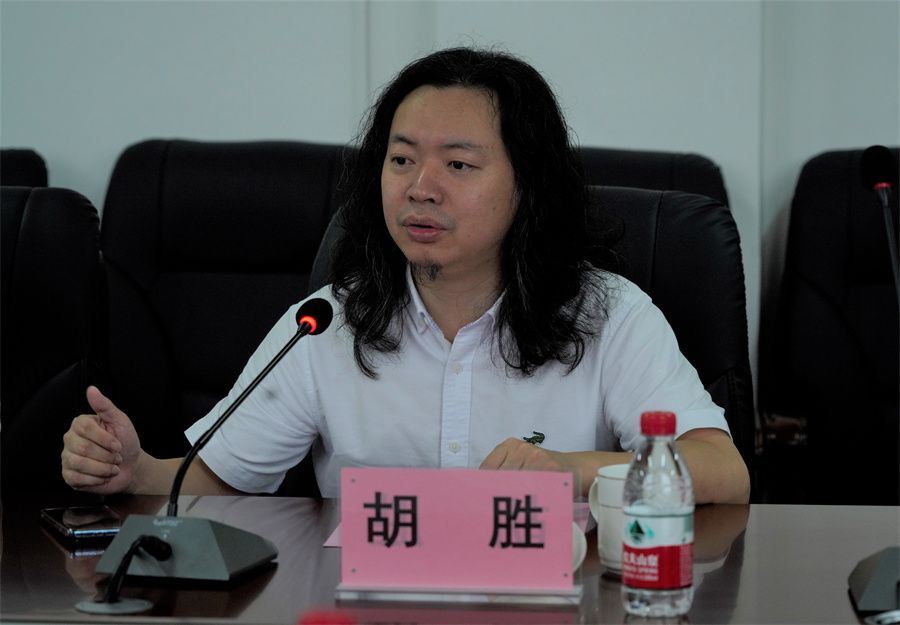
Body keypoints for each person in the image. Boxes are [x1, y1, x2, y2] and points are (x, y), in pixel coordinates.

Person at [61, 47, 750, 504]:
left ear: (528, 186)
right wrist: (136, 471)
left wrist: (571, 470)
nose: (420, 187)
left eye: (458, 164)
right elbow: (220, 481)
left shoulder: (608, 314)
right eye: (401, 160)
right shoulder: (327, 323)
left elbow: (723, 471)